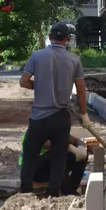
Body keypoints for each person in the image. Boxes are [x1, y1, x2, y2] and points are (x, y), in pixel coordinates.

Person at [18, 22, 90, 197]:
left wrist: (40, 86)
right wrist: (84, 114)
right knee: (59, 156)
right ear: (67, 39)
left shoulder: (37, 55)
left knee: (30, 152)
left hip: (39, 117)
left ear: (50, 37)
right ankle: (53, 192)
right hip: (61, 116)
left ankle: (26, 190)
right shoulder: (74, 60)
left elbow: (23, 81)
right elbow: (81, 90)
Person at [18, 131, 88, 196]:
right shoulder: (35, 130)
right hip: (33, 171)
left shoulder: (57, 130)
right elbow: (52, 145)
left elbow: (76, 141)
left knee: (81, 156)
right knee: (58, 154)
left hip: (49, 168)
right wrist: (70, 147)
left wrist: (82, 147)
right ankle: (66, 191)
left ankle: (72, 189)